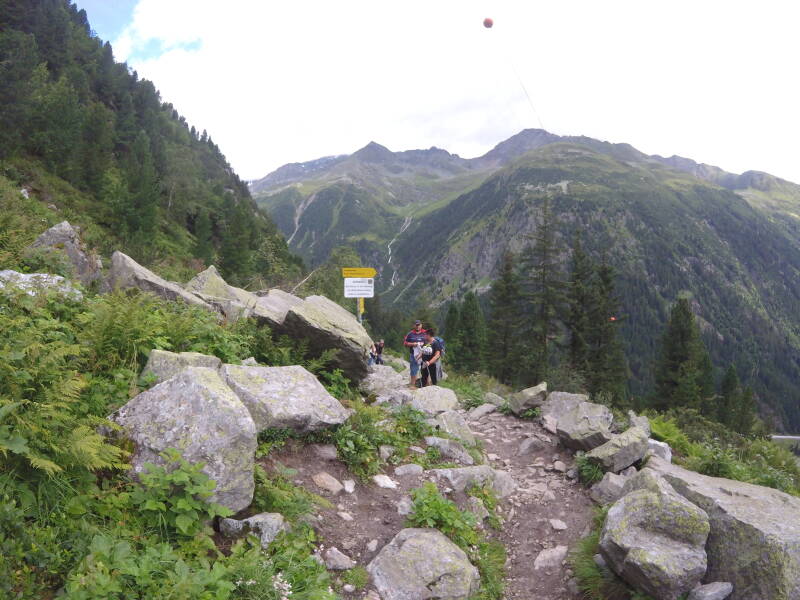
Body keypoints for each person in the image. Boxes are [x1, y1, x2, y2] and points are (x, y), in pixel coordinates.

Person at [403, 320, 427, 389]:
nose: (417, 326)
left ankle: (426, 385)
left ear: (421, 325)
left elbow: (430, 342)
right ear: (414, 326)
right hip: (414, 355)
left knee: (425, 370)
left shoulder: (425, 333)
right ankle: (412, 385)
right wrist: (413, 344)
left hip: (424, 354)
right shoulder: (410, 334)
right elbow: (405, 343)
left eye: (419, 325)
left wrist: (424, 345)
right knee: (413, 370)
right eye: (416, 325)